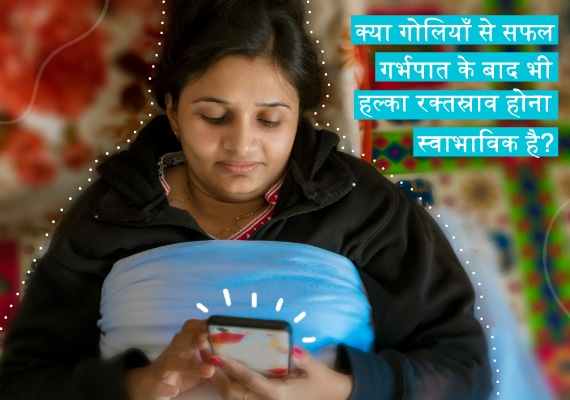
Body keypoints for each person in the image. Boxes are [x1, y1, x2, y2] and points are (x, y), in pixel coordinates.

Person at [0, 0, 493, 399]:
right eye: (214, 117)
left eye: (271, 120)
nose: (241, 146)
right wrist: (134, 385)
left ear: (300, 114)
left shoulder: (367, 209)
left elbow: (464, 372)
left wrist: (345, 389)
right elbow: (22, 380)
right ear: (172, 111)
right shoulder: (111, 212)